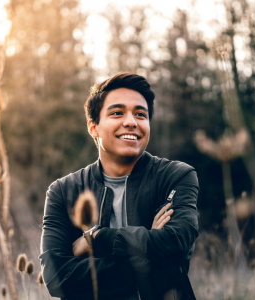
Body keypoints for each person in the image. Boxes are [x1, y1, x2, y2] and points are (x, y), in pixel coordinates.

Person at [39, 72, 199, 300]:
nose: (131, 122)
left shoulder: (175, 176)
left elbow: (176, 244)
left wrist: (97, 238)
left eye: (140, 115)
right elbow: (57, 279)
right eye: (117, 113)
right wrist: (148, 253)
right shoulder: (64, 191)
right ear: (93, 127)